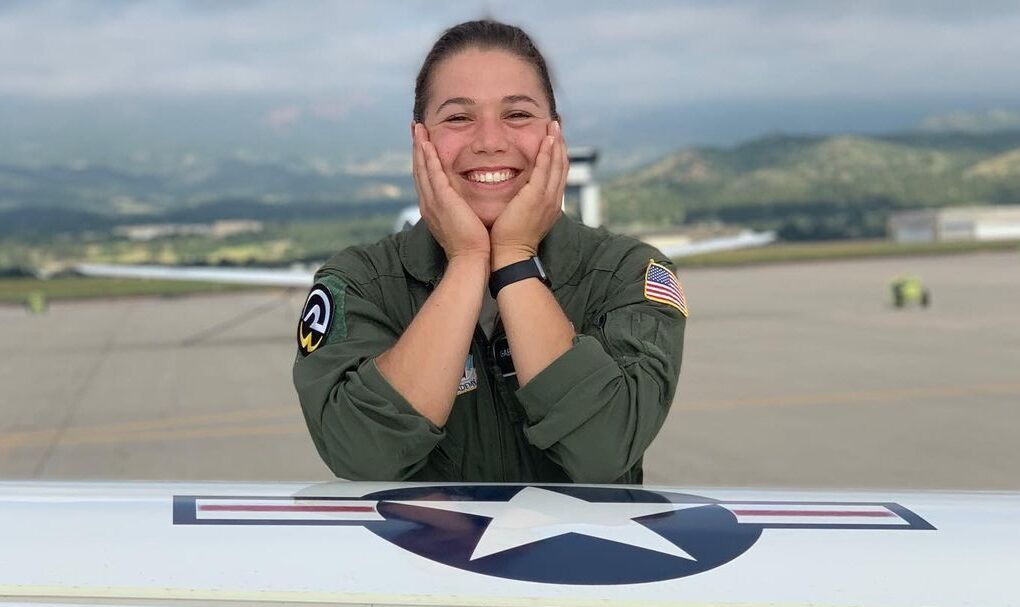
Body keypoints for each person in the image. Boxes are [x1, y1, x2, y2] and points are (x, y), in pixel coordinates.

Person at [292, 19, 687, 483]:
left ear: (554, 135)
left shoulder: (627, 273)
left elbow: (602, 449)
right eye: (458, 117)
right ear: (420, 139)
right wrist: (466, 262)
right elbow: (363, 454)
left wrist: (515, 257)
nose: (490, 142)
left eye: (517, 114)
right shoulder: (359, 283)